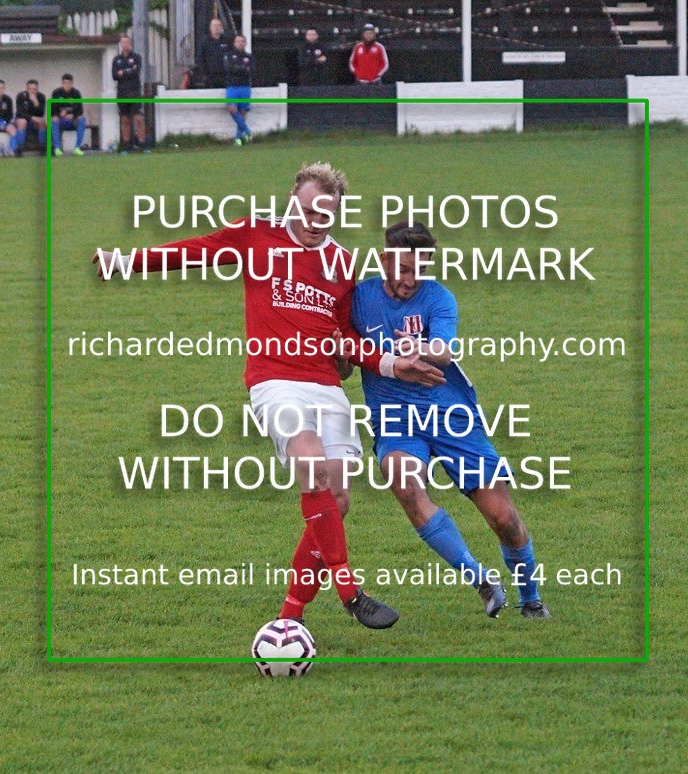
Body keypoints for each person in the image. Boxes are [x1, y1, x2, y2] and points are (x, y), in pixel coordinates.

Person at [93, 162, 446, 630]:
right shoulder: (256, 235)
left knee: (338, 500)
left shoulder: (343, 263)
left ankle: (288, 618)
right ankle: (349, 590)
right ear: (292, 200)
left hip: (325, 387)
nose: (314, 222)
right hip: (274, 381)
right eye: (307, 210)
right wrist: (124, 262)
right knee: (311, 465)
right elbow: (194, 251)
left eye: (325, 215)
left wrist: (391, 364)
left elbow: (344, 337)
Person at [348, 222, 551, 619]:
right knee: (406, 486)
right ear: (384, 260)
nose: (411, 280)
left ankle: (531, 599)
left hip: (451, 416)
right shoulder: (360, 299)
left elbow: (443, 350)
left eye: (420, 270)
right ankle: (482, 581)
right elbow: (344, 354)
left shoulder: (439, 298)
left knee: (504, 518)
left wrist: (420, 347)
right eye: (403, 269)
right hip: (396, 420)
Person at [112, 34, 147, 152]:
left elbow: (135, 72)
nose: (124, 45)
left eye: (126, 42)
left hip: (134, 92)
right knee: (124, 119)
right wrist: (128, 71)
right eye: (122, 42)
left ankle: (142, 144)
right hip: (122, 92)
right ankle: (126, 146)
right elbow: (114, 75)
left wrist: (123, 72)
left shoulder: (136, 57)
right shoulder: (117, 59)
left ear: (130, 44)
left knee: (138, 118)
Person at [223, 34, 254, 145]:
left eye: (242, 41)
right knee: (231, 108)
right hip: (232, 86)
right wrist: (243, 68)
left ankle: (238, 139)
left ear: (245, 43)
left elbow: (252, 70)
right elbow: (229, 69)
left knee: (242, 112)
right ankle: (248, 131)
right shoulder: (228, 55)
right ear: (234, 43)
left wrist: (238, 68)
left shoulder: (249, 56)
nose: (240, 43)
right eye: (238, 41)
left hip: (245, 86)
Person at [50, 74, 86, 157]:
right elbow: (52, 110)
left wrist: (73, 115)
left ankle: (77, 148)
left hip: (72, 120)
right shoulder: (56, 93)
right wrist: (59, 115)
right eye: (65, 83)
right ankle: (57, 149)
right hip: (61, 120)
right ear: (62, 83)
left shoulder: (76, 93)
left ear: (72, 83)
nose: (67, 85)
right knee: (54, 120)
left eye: (69, 83)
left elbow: (80, 110)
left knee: (82, 119)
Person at [14, 79, 47, 156]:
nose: (32, 91)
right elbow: (19, 113)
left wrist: (36, 103)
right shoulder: (21, 96)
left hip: (35, 121)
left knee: (42, 122)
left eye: (34, 89)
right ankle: (19, 148)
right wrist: (32, 117)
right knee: (22, 122)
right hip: (23, 119)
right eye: (30, 89)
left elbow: (41, 113)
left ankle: (42, 147)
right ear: (27, 89)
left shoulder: (41, 97)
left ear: (37, 89)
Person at [196, 17, 230, 88]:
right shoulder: (204, 41)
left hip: (224, 76)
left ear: (221, 27)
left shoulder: (227, 41)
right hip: (210, 76)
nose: (216, 27)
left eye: (218, 25)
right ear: (210, 28)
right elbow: (200, 58)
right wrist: (204, 74)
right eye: (214, 25)